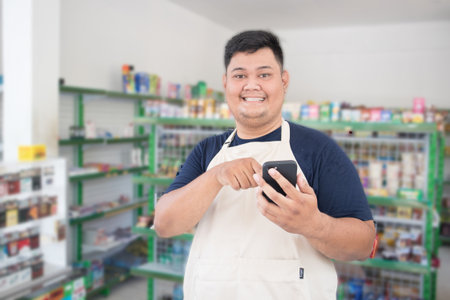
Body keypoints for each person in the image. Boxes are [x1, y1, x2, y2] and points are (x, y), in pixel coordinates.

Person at [154, 30, 376, 299]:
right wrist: (216, 176)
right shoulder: (207, 152)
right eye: (239, 76)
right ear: (225, 83)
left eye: (264, 74)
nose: (251, 85)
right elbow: (165, 224)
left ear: (284, 81)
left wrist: (313, 224)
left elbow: (363, 244)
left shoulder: (318, 150)